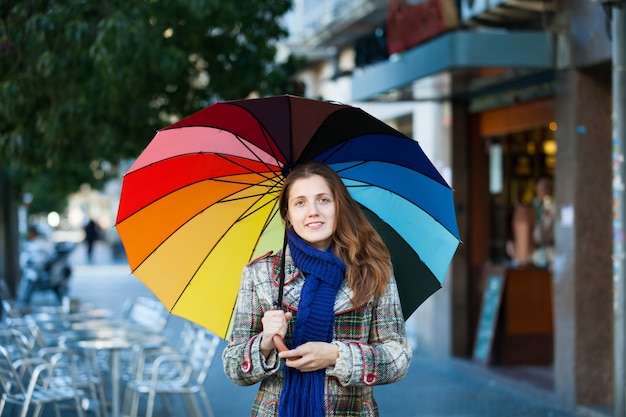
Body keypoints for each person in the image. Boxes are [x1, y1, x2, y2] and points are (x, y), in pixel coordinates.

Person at [222, 161, 412, 417]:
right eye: (300, 202)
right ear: (287, 213)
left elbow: (398, 359)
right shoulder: (261, 274)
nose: (313, 211)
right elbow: (234, 368)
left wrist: (336, 355)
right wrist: (265, 343)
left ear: (339, 207)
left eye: (323, 200)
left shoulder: (373, 268)